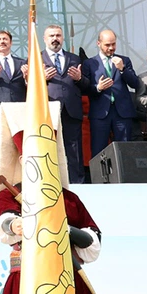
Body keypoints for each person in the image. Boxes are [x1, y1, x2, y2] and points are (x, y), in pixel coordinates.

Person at [41, 24, 92, 183]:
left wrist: (79, 78)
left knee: (74, 148)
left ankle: (77, 183)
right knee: (48, 148)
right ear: (44, 39)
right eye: (51, 36)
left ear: (62, 38)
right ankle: (51, 183)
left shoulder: (74, 58)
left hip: (71, 109)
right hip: (48, 110)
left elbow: (86, 86)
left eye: (58, 35)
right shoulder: (36, 58)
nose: (55, 38)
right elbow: (28, 86)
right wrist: (41, 78)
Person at [83, 29, 140, 157]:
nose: (111, 48)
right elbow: (85, 89)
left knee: (124, 150)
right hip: (100, 112)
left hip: (122, 113)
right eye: (107, 45)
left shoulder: (124, 60)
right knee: (99, 150)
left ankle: (124, 171)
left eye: (113, 44)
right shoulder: (90, 63)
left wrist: (122, 69)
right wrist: (98, 88)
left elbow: (135, 83)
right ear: (99, 43)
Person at [0, 30, 28, 103]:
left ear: (11, 43)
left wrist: (27, 79)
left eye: (5, 39)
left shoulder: (22, 63)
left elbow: (32, 88)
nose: (2, 41)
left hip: (20, 105)